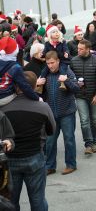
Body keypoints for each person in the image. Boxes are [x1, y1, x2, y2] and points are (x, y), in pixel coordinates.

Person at [0, 71, 55, 211]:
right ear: (34, 86)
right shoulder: (42, 107)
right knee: (38, 200)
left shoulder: (3, 108)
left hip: (10, 158)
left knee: (10, 202)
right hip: (34, 157)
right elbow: (51, 131)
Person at [36, 51, 79, 175]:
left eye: (52, 63)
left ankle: (71, 164)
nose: (50, 65)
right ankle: (50, 166)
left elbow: (76, 88)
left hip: (67, 112)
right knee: (50, 141)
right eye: (48, 63)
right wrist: (37, 85)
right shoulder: (45, 74)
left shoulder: (67, 71)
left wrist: (66, 81)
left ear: (58, 61)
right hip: (51, 114)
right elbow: (38, 94)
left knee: (69, 139)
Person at [70, 40, 96, 155]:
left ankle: (94, 141)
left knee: (94, 121)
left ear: (87, 49)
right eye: (78, 48)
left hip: (94, 95)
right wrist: (75, 84)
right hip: (80, 95)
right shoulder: (74, 61)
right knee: (84, 120)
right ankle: (88, 144)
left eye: (81, 49)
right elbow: (71, 78)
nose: (78, 50)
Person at [0, 36, 39, 106]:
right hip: (4, 96)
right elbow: (24, 86)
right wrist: (37, 98)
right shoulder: (15, 67)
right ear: (15, 51)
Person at [39, 25, 70, 90]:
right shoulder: (47, 43)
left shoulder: (62, 41)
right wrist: (42, 54)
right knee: (44, 71)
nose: (56, 33)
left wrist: (66, 53)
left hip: (61, 60)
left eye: (57, 31)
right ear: (50, 35)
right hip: (52, 61)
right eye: (54, 32)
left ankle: (63, 84)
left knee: (62, 69)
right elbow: (45, 51)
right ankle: (41, 84)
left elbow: (66, 49)